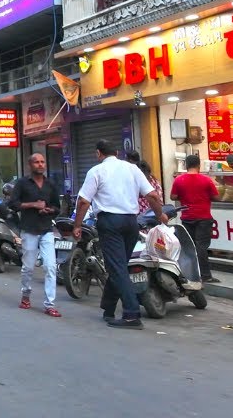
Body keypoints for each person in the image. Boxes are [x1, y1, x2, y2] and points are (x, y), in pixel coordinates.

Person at [73, 141, 167, 329]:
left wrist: (77, 225)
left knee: (117, 268)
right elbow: (153, 196)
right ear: (116, 152)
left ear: (98, 153)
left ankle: (131, 314)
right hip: (131, 222)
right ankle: (108, 307)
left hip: (110, 223)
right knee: (119, 265)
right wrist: (160, 215)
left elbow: (83, 201)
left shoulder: (97, 171)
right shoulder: (132, 169)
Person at [10, 153, 62, 316]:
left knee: (50, 267)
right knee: (28, 267)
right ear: (30, 165)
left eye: (42, 162)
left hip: (46, 229)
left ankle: (49, 304)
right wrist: (33, 205)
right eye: (36, 162)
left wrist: (49, 210)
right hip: (29, 229)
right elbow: (13, 204)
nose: (40, 164)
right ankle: (26, 294)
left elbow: (57, 207)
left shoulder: (50, 184)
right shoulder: (22, 183)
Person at [170, 154, 220, 283]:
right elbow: (216, 197)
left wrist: (184, 196)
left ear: (186, 165)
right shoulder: (206, 180)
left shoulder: (179, 180)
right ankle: (205, 275)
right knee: (201, 246)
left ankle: (191, 274)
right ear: (199, 165)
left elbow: (173, 196)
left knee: (189, 246)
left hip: (187, 217)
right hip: (203, 217)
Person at [126, 150, 161, 215]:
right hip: (155, 212)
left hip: (142, 215)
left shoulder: (135, 177)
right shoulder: (154, 180)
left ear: (129, 160)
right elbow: (159, 196)